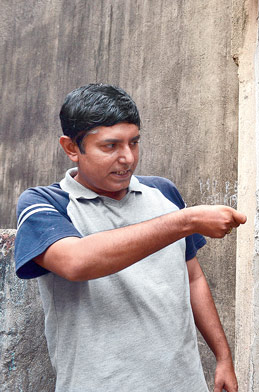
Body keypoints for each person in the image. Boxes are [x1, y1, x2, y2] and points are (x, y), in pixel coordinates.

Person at [14, 84, 245, 392]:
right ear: (71, 148)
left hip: (183, 382)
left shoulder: (163, 193)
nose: (127, 158)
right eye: (110, 146)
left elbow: (193, 278)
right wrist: (186, 220)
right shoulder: (45, 203)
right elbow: (76, 262)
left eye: (133, 143)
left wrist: (223, 357)